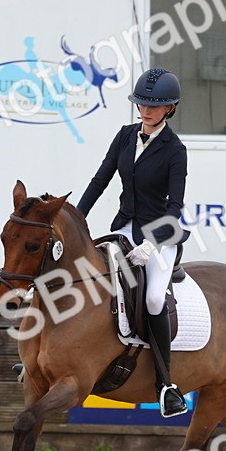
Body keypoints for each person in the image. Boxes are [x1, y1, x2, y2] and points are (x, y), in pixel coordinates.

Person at [76, 68, 189, 418]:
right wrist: (76, 220)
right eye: (141, 103)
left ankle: (165, 385)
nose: (146, 110)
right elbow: (100, 180)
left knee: (154, 297)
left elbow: (175, 208)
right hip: (123, 229)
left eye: (155, 106)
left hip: (159, 236)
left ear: (170, 108)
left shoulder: (175, 150)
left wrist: (152, 245)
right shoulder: (125, 136)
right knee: (85, 278)